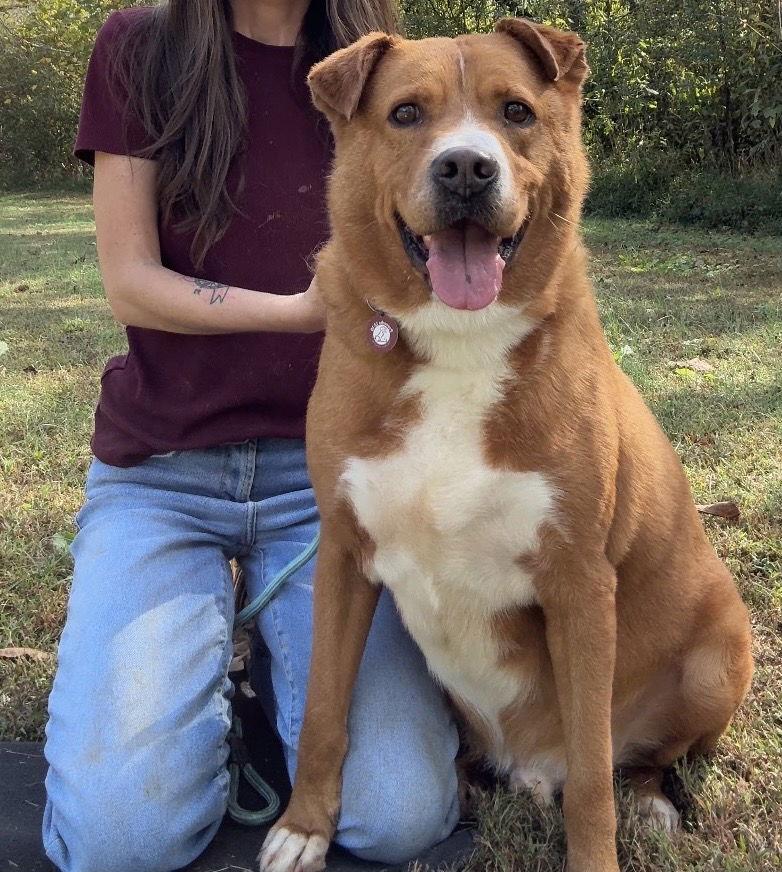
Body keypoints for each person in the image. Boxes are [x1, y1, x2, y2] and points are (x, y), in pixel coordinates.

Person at [41, 3, 461, 871]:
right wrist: (310, 311)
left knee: (400, 815)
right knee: (122, 842)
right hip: (163, 472)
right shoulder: (140, 46)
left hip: (329, 481)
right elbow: (130, 282)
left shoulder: (382, 62)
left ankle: (278, 674)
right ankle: (204, 681)